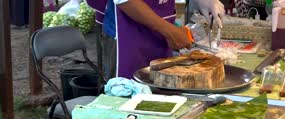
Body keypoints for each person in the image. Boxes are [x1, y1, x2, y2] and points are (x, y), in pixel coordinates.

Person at [88, 0, 225, 79]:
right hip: (128, 35)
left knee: (160, 92)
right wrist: (169, 31)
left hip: (161, 32)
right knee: (128, 103)